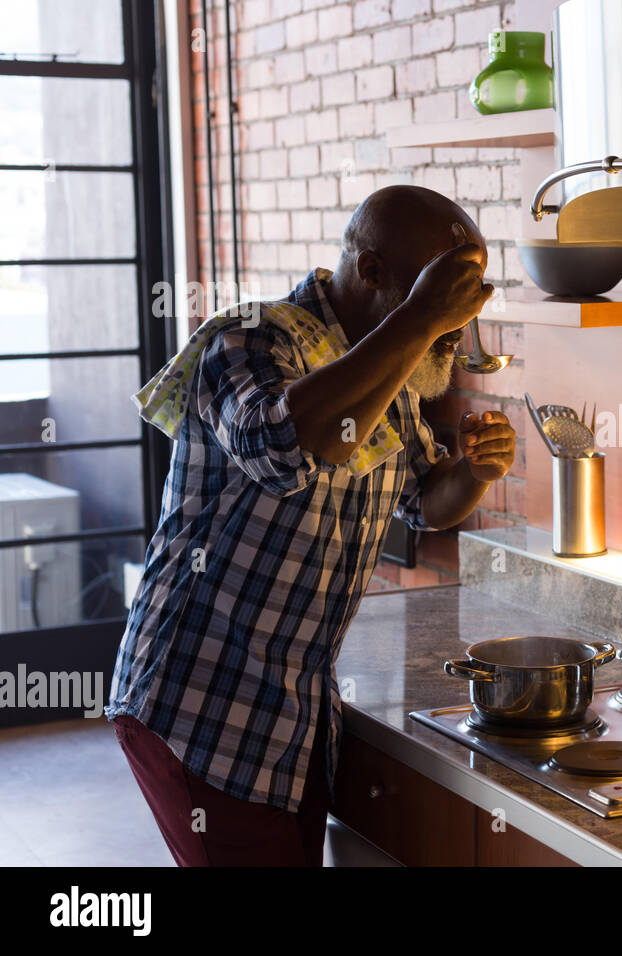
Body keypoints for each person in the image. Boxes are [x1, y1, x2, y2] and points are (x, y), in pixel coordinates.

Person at [105, 185, 515, 865]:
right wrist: (417, 321)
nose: (455, 318)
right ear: (374, 272)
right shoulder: (252, 338)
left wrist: (473, 472)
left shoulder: (391, 366)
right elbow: (284, 448)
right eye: (440, 289)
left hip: (286, 714)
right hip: (199, 701)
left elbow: (422, 500)